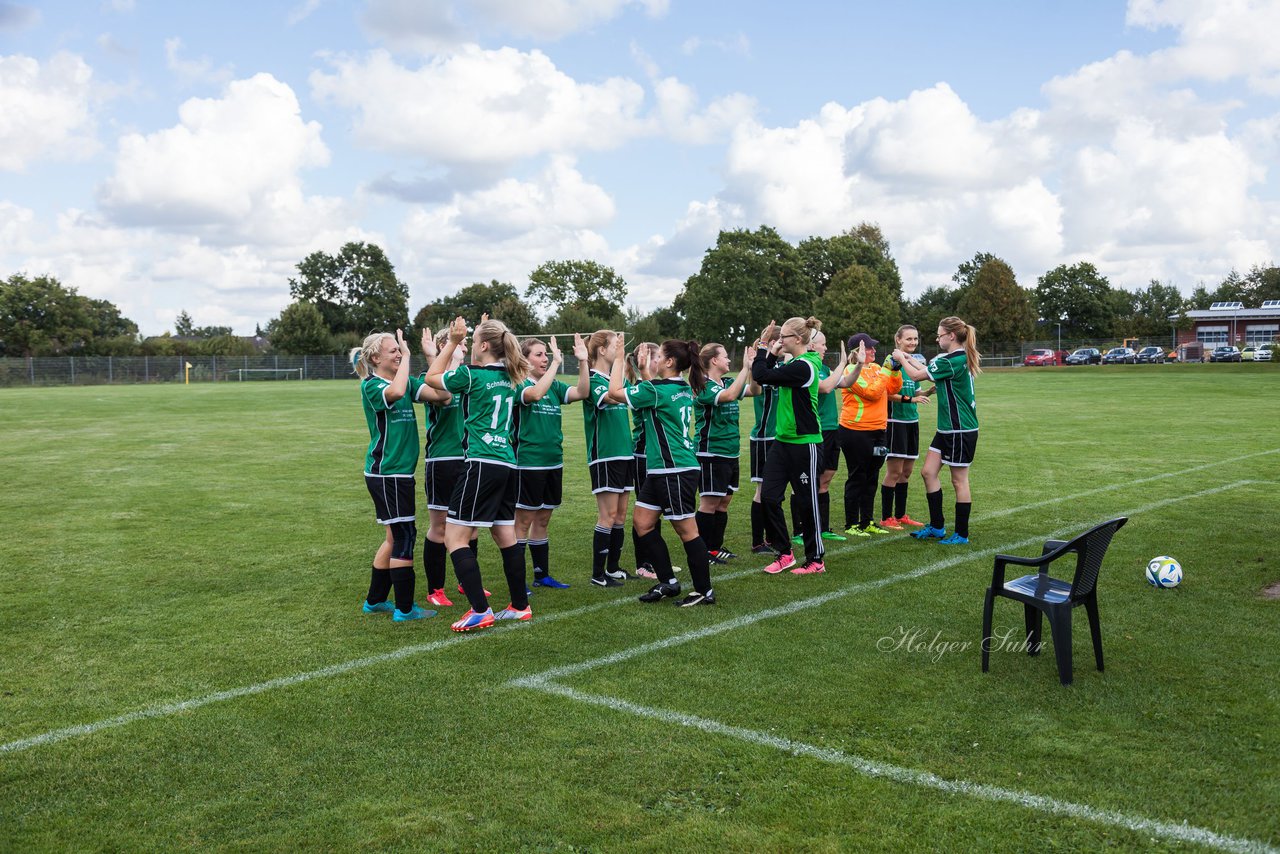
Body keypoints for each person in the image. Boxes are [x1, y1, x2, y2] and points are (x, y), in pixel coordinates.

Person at [424, 316, 558, 631]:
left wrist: (453, 342)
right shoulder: (513, 378)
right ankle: (519, 606)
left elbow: (432, 376)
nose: (469, 347)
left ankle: (480, 609)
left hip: (481, 463)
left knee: (455, 537)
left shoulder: (471, 376)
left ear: (484, 346)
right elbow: (534, 393)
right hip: (509, 464)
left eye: (473, 342)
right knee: (504, 534)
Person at [608, 335, 716, 606]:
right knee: (643, 523)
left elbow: (614, 393)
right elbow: (653, 391)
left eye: (658, 357)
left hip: (674, 470)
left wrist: (620, 358)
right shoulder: (676, 387)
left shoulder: (657, 390)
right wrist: (645, 370)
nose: (652, 360)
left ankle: (704, 591)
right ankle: (668, 582)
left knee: (687, 531)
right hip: (663, 470)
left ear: (669, 362)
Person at [351, 329, 436, 622]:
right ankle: (404, 608)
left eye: (400, 351)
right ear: (376, 358)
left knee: (393, 536)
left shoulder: (405, 381)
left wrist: (437, 365)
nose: (399, 354)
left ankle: (375, 601)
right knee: (404, 535)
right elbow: (397, 392)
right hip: (387, 473)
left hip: (398, 473)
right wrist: (410, 359)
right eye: (394, 351)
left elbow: (439, 394)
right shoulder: (372, 385)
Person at [892, 316, 981, 545]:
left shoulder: (951, 359)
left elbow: (915, 375)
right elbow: (928, 369)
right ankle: (937, 527)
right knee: (928, 472)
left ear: (951, 336)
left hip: (960, 429)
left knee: (959, 481)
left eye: (940, 335)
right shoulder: (953, 358)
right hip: (947, 429)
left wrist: (901, 357)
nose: (937, 338)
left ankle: (961, 533)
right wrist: (911, 358)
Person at [513, 333, 590, 590]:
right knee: (522, 521)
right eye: (539, 354)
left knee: (543, 519)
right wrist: (557, 363)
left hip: (553, 461)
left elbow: (582, 391)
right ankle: (518, 580)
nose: (545, 358)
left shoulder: (554, 386)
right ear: (524, 359)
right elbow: (534, 394)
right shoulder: (519, 383)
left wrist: (582, 361)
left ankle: (541, 575)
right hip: (529, 462)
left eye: (546, 354)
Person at [752, 317, 828, 576]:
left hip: (804, 444)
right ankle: (785, 553)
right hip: (783, 442)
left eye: (782, 337)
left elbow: (761, 373)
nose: (778, 341)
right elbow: (767, 376)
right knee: (769, 497)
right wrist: (770, 352)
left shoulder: (804, 366)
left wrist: (763, 346)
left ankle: (816, 559)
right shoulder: (794, 363)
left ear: (797, 339)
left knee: (807, 503)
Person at [419, 327, 476, 608]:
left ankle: (468, 582)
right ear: (445, 345)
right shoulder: (427, 379)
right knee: (439, 527)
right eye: (460, 343)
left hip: (469, 458)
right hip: (442, 459)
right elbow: (445, 397)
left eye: (466, 343)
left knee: (471, 524)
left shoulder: (467, 378)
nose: (464, 348)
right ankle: (435, 589)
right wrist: (436, 357)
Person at [583, 330, 634, 587]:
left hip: (625, 453)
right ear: (602, 349)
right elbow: (612, 396)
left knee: (621, 514)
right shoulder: (592, 379)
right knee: (608, 514)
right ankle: (597, 573)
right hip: (605, 455)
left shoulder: (614, 378)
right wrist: (620, 362)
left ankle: (613, 568)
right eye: (616, 345)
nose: (619, 349)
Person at [790, 330, 851, 544]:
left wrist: (858, 365)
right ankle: (799, 531)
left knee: (826, 478)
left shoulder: (825, 369)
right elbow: (825, 388)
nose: (826, 348)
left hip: (832, 428)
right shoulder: (807, 368)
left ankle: (822, 527)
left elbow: (846, 382)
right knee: (807, 480)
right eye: (823, 344)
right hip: (816, 430)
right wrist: (843, 364)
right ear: (811, 345)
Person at [838, 332, 901, 537]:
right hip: (855, 431)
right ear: (858, 351)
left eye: (874, 347)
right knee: (858, 476)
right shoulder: (850, 371)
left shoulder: (875, 369)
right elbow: (872, 393)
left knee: (872, 476)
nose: (874, 350)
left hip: (877, 431)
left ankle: (867, 521)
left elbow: (892, 387)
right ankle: (851, 523)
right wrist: (885, 370)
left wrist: (895, 370)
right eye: (870, 348)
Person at [694, 342, 752, 563]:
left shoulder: (728, 382)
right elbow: (727, 396)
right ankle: (704, 551)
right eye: (726, 357)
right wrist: (745, 369)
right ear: (714, 361)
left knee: (724, 501)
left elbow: (755, 390)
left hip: (730, 452)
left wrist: (753, 368)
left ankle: (715, 548)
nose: (729, 361)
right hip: (711, 452)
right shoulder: (703, 385)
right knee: (709, 503)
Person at [879, 325, 934, 530]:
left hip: (912, 423)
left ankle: (900, 514)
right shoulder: (891, 362)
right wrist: (912, 400)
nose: (912, 342)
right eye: (908, 339)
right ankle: (886, 517)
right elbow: (884, 393)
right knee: (894, 472)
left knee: (907, 471)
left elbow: (918, 394)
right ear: (898, 340)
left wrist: (930, 391)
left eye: (915, 339)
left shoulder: (915, 363)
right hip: (896, 423)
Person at [747, 325, 780, 554]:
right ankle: (758, 542)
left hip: (779, 437)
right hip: (763, 437)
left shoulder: (779, 366)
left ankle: (771, 536)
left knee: (775, 491)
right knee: (762, 490)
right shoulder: (761, 368)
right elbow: (755, 387)